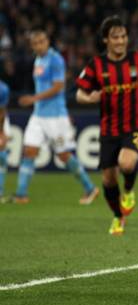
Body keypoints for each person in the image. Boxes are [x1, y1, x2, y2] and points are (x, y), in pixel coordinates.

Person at [76, 16, 138, 235]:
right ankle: (117, 216)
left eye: (123, 36)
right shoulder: (96, 65)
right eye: (115, 37)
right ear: (106, 40)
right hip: (108, 129)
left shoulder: (137, 59)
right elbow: (79, 94)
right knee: (108, 179)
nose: (121, 41)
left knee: (127, 163)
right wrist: (89, 98)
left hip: (135, 124)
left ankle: (129, 191)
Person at [13, 30, 98, 205]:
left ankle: (90, 188)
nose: (39, 45)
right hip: (38, 115)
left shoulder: (56, 60)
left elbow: (59, 87)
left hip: (56, 117)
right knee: (29, 151)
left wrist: (33, 98)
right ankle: (21, 194)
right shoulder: (38, 60)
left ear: (47, 41)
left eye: (41, 41)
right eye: (35, 43)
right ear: (32, 46)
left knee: (64, 155)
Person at [0, 80, 10, 203]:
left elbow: (2, 112)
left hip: (0, 121)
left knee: (2, 156)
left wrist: (1, 131)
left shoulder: (3, 88)